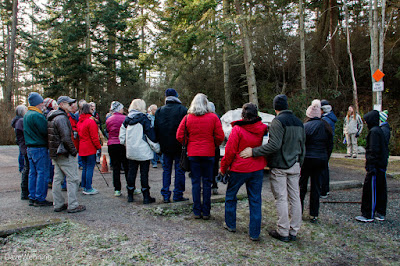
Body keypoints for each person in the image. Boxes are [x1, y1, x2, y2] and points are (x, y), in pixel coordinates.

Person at [240, 94, 305, 242]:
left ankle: (283, 231)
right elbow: (303, 145)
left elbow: (274, 145)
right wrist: (300, 162)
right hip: (295, 164)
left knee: (281, 198)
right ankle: (294, 230)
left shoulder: (278, 122)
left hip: (280, 165)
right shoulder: (299, 123)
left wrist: (253, 151)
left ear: (275, 107)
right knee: (295, 197)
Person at [219, 103, 267, 241]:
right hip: (257, 167)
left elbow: (230, 151)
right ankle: (254, 233)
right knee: (255, 199)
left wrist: (223, 168)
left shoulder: (237, 130)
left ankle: (230, 224)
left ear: (243, 115)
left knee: (231, 195)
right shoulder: (263, 129)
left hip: (239, 168)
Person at [176, 93, 224, 220]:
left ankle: (197, 211)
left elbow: (179, 135)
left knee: (196, 182)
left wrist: (188, 143)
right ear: (206, 103)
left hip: (193, 153)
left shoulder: (187, 118)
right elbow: (220, 136)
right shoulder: (213, 117)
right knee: (207, 183)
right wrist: (213, 144)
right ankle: (206, 211)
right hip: (208, 153)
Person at [47, 96, 86, 213]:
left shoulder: (52, 117)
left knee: (57, 179)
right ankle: (73, 205)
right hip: (63, 153)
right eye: (69, 104)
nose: (72, 105)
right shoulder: (61, 118)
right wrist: (74, 151)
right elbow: (65, 138)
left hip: (56, 153)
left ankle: (58, 203)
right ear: (62, 104)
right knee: (73, 179)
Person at [299, 100, 333, 224]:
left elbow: (301, 144)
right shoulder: (326, 126)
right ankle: (314, 213)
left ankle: (299, 211)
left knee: (302, 186)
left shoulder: (305, 127)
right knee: (316, 188)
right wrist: (325, 158)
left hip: (307, 160)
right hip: (321, 160)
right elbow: (330, 145)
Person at [119, 99, 157, 204]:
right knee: (144, 174)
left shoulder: (127, 119)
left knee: (132, 172)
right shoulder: (145, 119)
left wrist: (126, 144)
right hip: (143, 149)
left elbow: (121, 136)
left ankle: (130, 195)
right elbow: (150, 136)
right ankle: (146, 196)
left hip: (131, 150)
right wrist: (157, 148)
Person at [154, 88, 188, 203]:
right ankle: (178, 194)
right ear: (176, 97)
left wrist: (159, 143)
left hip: (165, 146)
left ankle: (165, 194)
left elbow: (156, 129)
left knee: (166, 170)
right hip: (179, 146)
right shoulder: (183, 110)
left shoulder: (159, 111)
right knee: (179, 170)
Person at [356, 110, 389, 222]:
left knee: (371, 190)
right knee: (380, 189)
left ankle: (368, 214)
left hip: (375, 166)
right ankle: (380, 212)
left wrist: (371, 165)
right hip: (380, 165)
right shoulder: (379, 131)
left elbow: (373, 150)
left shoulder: (374, 132)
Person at [23, 92, 52, 207]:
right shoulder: (37, 115)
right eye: (41, 103)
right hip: (39, 147)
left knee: (32, 173)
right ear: (37, 104)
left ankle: (32, 196)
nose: (43, 105)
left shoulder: (27, 114)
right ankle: (40, 197)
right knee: (42, 173)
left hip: (30, 147)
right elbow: (45, 131)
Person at [77, 103, 102, 195]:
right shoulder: (90, 122)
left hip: (82, 147)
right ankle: (88, 187)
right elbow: (94, 137)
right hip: (89, 147)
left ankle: (84, 185)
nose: (93, 111)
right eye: (91, 109)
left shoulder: (80, 122)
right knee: (90, 168)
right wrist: (98, 147)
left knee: (85, 167)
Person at [106, 101, 129, 197]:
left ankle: (117, 189)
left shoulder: (109, 119)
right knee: (127, 167)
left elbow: (107, 130)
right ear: (119, 109)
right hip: (123, 144)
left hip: (112, 144)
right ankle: (131, 187)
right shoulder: (125, 118)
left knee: (116, 167)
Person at [320, 100, 337, 198]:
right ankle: (325, 189)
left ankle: (323, 190)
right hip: (328, 145)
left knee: (323, 168)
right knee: (325, 167)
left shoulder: (326, 120)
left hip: (324, 145)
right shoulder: (330, 118)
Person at [11, 104, 29, 200]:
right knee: (27, 170)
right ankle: (25, 191)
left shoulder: (18, 121)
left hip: (23, 146)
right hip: (25, 147)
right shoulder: (21, 121)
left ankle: (25, 191)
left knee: (26, 169)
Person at [208, 101, 221, 195]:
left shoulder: (204, 117)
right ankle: (215, 185)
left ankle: (206, 186)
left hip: (207, 146)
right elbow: (220, 134)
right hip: (215, 146)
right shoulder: (217, 117)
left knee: (205, 167)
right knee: (215, 166)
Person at [148, 104, 161, 168]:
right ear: (151, 110)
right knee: (153, 148)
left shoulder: (158, 116)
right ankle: (154, 162)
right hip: (152, 134)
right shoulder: (148, 117)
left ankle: (161, 161)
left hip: (158, 133)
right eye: (154, 110)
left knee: (159, 148)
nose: (156, 111)